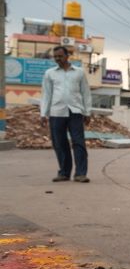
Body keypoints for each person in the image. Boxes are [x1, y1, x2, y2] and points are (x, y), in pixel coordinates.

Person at [40, 45, 92, 183]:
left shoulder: (79, 72)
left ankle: (81, 174)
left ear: (67, 56)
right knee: (60, 143)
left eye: (60, 56)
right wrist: (43, 113)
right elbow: (46, 94)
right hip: (56, 112)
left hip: (75, 112)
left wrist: (87, 112)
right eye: (55, 56)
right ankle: (64, 173)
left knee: (78, 143)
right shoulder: (50, 73)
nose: (57, 59)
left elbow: (85, 93)